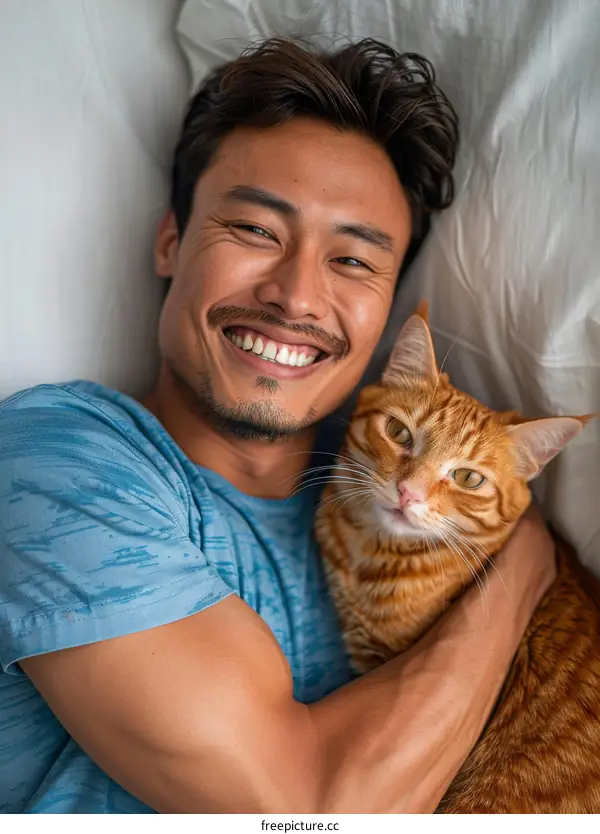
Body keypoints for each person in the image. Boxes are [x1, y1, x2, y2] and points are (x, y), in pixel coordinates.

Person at [0, 37, 555, 814]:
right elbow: (302, 810)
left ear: (388, 309)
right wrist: (520, 575)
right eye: (257, 230)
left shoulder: (407, 487)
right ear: (170, 241)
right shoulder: (51, 456)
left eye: (354, 262)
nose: (296, 297)